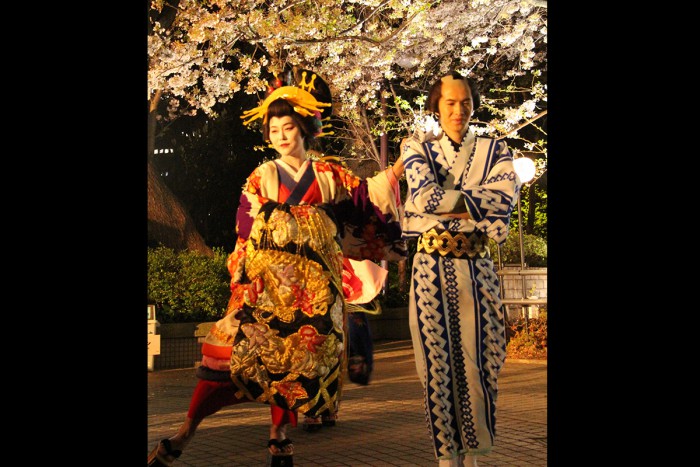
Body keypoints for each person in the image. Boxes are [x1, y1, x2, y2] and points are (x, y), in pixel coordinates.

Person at [147, 69, 406, 466]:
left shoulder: (329, 175)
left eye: (289, 127)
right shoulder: (262, 176)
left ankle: (279, 434)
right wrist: (242, 281)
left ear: (306, 129)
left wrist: (398, 170)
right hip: (266, 286)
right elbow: (245, 232)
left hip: (314, 291)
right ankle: (187, 429)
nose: (282, 135)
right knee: (227, 354)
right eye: (274, 128)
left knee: (296, 363)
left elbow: (366, 204)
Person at [400, 71, 522, 467]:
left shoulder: (495, 149)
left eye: (465, 102)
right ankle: (445, 458)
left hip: (478, 268)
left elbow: (503, 198)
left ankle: (473, 456)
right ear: (436, 106)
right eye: (450, 103)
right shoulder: (415, 145)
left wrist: (446, 204)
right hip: (430, 271)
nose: (459, 110)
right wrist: (475, 202)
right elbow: (421, 195)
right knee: (436, 365)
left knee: (484, 360)